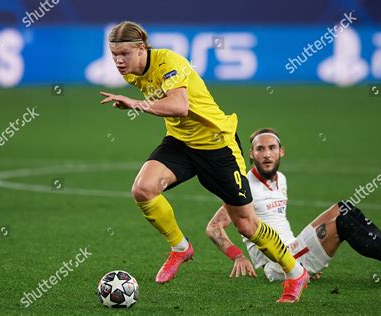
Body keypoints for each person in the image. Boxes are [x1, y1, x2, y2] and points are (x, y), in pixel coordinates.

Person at [99, 21, 308, 303]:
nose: (119, 61)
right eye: (114, 55)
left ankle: (295, 273)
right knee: (143, 189)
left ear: (141, 48)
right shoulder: (133, 73)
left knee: (246, 225)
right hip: (181, 143)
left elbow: (180, 106)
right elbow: (175, 114)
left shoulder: (169, 62)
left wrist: (136, 104)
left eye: (124, 53)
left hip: (217, 145)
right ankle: (180, 247)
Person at [206, 128, 381, 284]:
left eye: (271, 148)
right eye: (260, 149)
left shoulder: (281, 179)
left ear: (282, 152)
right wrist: (238, 256)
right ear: (251, 155)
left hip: (295, 251)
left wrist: (308, 251)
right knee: (342, 220)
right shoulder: (244, 187)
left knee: (346, 209)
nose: (266, 154)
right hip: (278, 265)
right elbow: (214, 227)